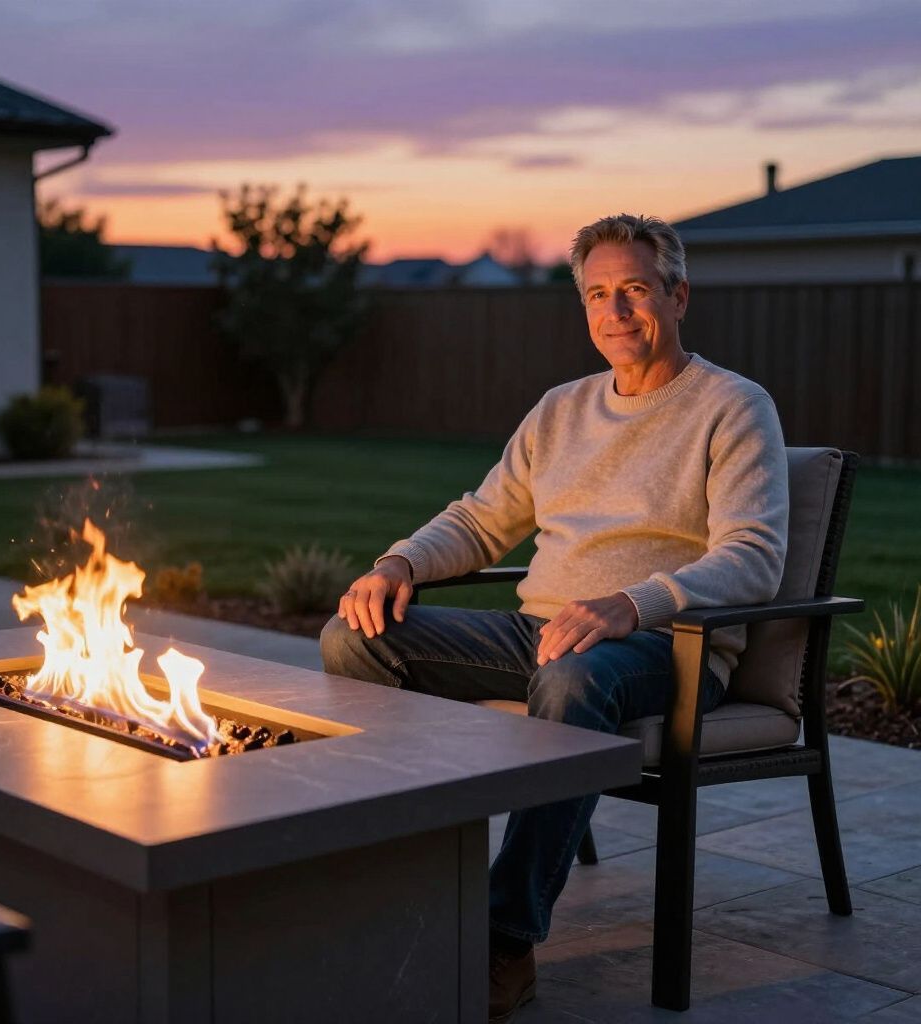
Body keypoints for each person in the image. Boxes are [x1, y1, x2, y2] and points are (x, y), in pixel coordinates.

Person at [319, 213, 789, 1023]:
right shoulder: (560, 410)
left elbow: (754, 555)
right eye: (598, 294)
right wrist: (397, 563)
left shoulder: (733, 407)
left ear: (678, 296)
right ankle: (403, 884)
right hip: (539, 629)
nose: (616, 311)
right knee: (353, 641)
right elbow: (480, 520)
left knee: (570, 682)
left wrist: (630, 603)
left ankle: (507, 936)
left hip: (664, 648)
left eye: (635, 290)